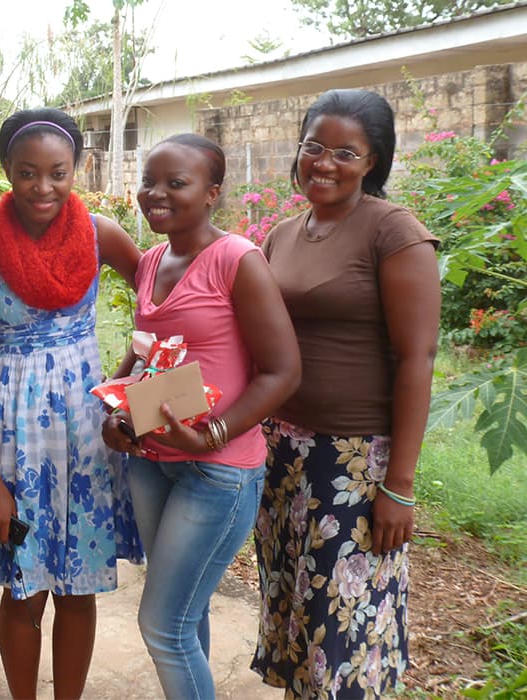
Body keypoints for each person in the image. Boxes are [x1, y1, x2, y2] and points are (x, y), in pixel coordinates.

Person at [0, 107, 144, 700]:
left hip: (83, 434)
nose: (44, 186)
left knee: (77, 588)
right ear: (6, 169)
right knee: (22, 588)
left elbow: (159, 298)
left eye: (58, 171)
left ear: (76, 169)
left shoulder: (100, 233)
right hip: (9, 439)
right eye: (28, 172)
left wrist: (131, 378)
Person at [252, 89, 440, 698]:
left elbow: (418, 358)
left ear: (373, 161)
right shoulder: (282, 234)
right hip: (282, 453)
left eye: (345, 152)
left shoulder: (394, 231)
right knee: (298, 623)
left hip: (354, 464)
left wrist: (399, 485)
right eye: (313, 146)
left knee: (346, 637)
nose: (323, 162)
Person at [100, 134, 301, 699]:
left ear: (212, 194)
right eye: (148, 181)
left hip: (217, 471)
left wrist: (211, 432)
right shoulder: (153, 261)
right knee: (187, 615)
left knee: (162, 625)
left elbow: (282, 371)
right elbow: (143, 350)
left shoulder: (237, 260)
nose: (154, 194)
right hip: (151, 462)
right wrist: (118, 411)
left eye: (176, 183)